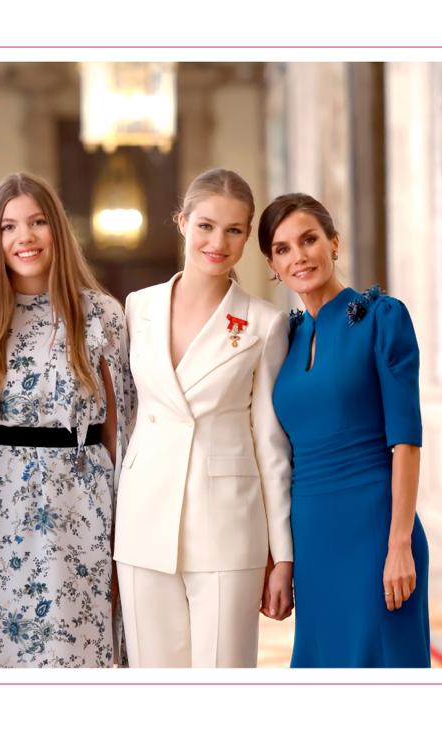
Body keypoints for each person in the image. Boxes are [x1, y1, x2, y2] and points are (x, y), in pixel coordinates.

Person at [113, 169, 294, 668]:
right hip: (144, 519)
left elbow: (271, 444)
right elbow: (126, 417)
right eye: (206, 226)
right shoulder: (137, 309)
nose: (218, 242)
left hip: (227, 525)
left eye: (234, 230)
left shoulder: (264, 323)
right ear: (182, 223)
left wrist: (283, 556)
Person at [0, 172, 134, 668]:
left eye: (37, 222)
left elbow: (122, 429)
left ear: (57, 229)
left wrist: (125, 529)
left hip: (79, 500)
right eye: (9, 227)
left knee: (73, 647)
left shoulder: (101, 314)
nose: (25, 237)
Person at [261, 192, 431, 667]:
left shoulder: (382, 317)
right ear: (272, 264)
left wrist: (398, 545)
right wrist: (281, 557)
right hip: (314, 542)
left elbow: (407, 441)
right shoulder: (287, 338)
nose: (299, 256)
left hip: (376, 534)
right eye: (283, 248)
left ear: (334, 242)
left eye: (309, 239)